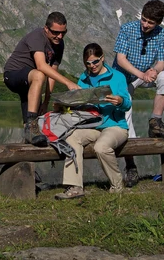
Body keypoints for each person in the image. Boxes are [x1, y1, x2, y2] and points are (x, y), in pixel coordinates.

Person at [112, 0, 164, 188]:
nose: (146, 25)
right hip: (123, 78)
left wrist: (154, 71)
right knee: (126, 116)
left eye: (151, 22)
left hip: (145, 74)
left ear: (158, 23)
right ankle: (130, 165)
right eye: (144, 19)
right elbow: (120, 59)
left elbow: (161, 62)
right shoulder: (127, 29)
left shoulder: (161, 34)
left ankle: (155, 122)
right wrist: (142, 74)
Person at [55, 43, 131, 199]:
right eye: (88, 63)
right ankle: (75, 187)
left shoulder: (118, 77)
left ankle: (117, 186)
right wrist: (66, 104)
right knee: (71, 138)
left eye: (95, 61)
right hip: (93, 126)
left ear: (102, 58)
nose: (92, 66)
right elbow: (79, 104)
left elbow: (127, 104)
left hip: (116, 126)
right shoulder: (84, 78)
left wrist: (120, 101)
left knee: (101, 147)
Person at [3, 12, 80, 147]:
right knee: (39, 75)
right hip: (13, 75)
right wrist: (68, 82)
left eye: (63, 32)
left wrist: (46, 102)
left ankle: (28, 143)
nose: (59, 36)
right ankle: (31, 126)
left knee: (34, 125)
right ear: (46, 29)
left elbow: (52, 74)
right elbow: (41, 66)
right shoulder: (37, 36)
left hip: (31, 83)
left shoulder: (59, 44)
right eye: (55, 32)